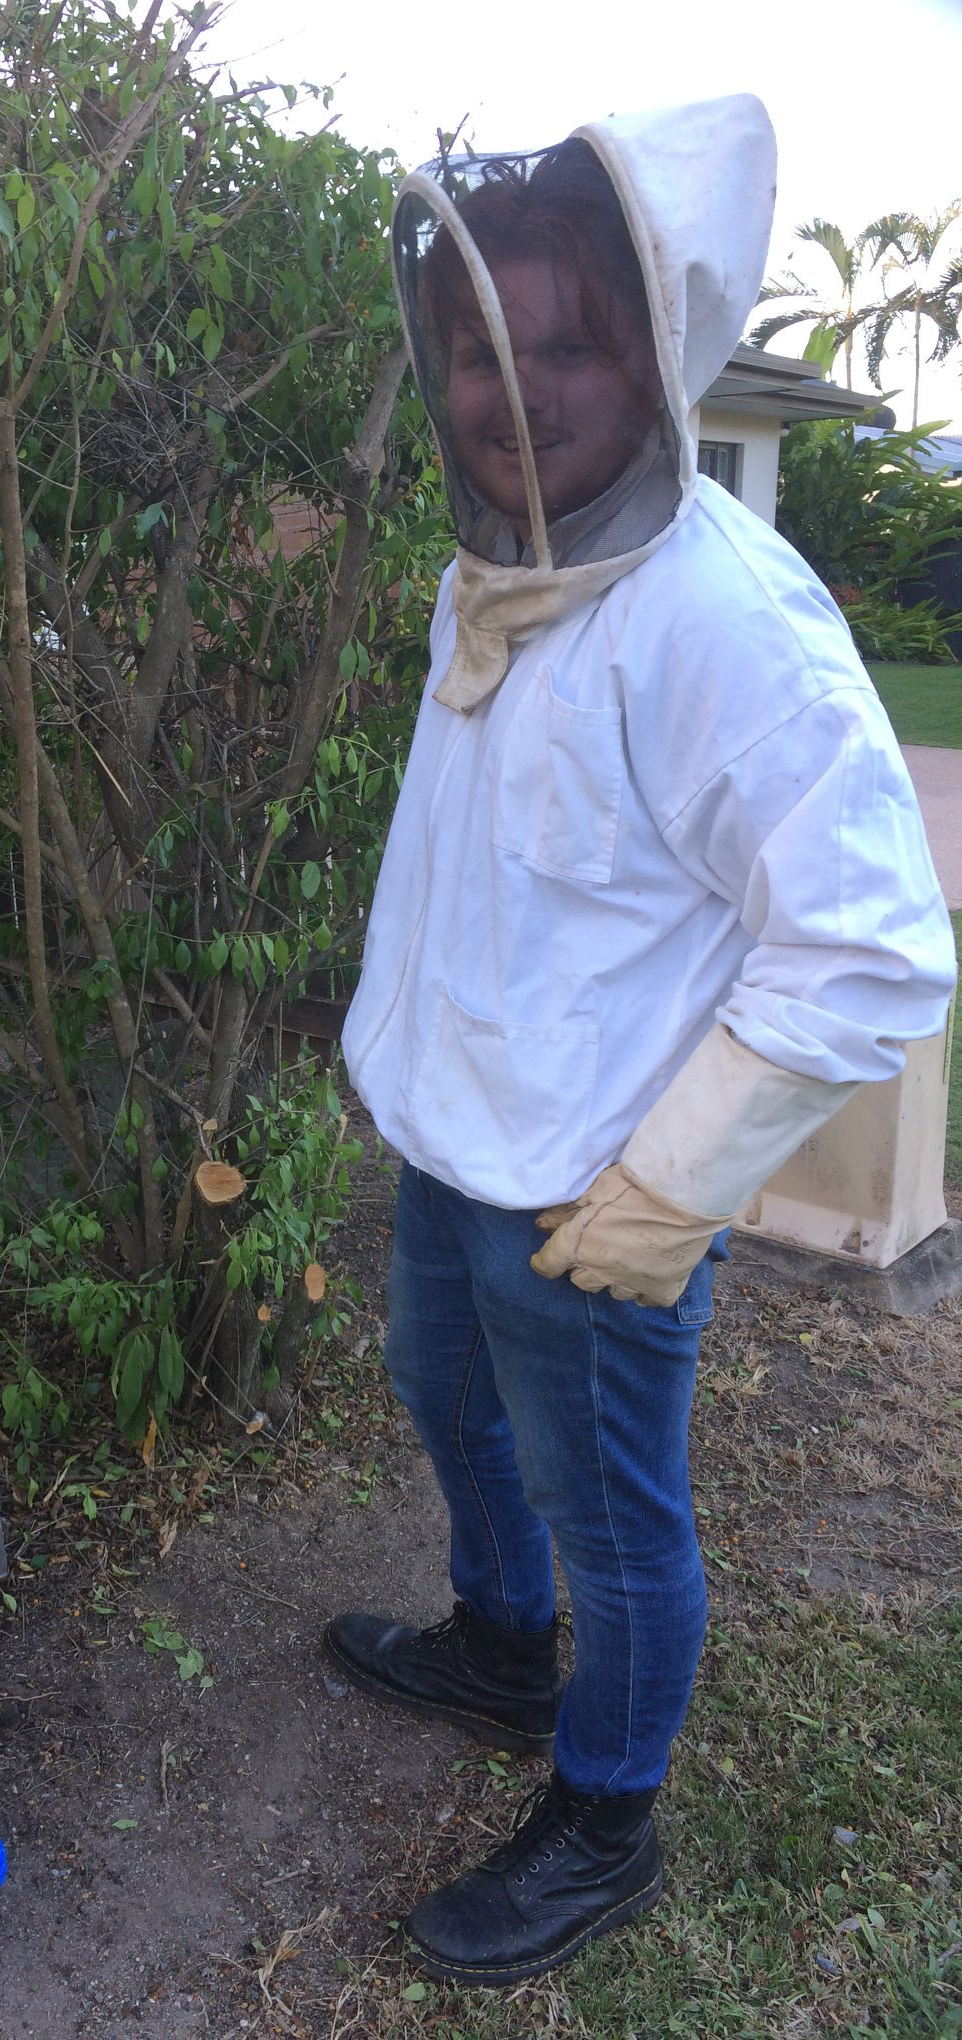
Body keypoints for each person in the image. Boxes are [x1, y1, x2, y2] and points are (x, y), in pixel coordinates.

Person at [330, 94, 956, 1988]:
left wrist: (672, 1189)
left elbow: (872, 952)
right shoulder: (502, 570)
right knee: (438, 1391)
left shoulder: (731, 626)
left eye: (568, 348)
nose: (513, 396)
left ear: (654, 362)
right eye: (480, 353)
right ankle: (500, 1650)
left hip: (594, 1190)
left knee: (615, 1522)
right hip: (460, 1141)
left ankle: (608, 1818)